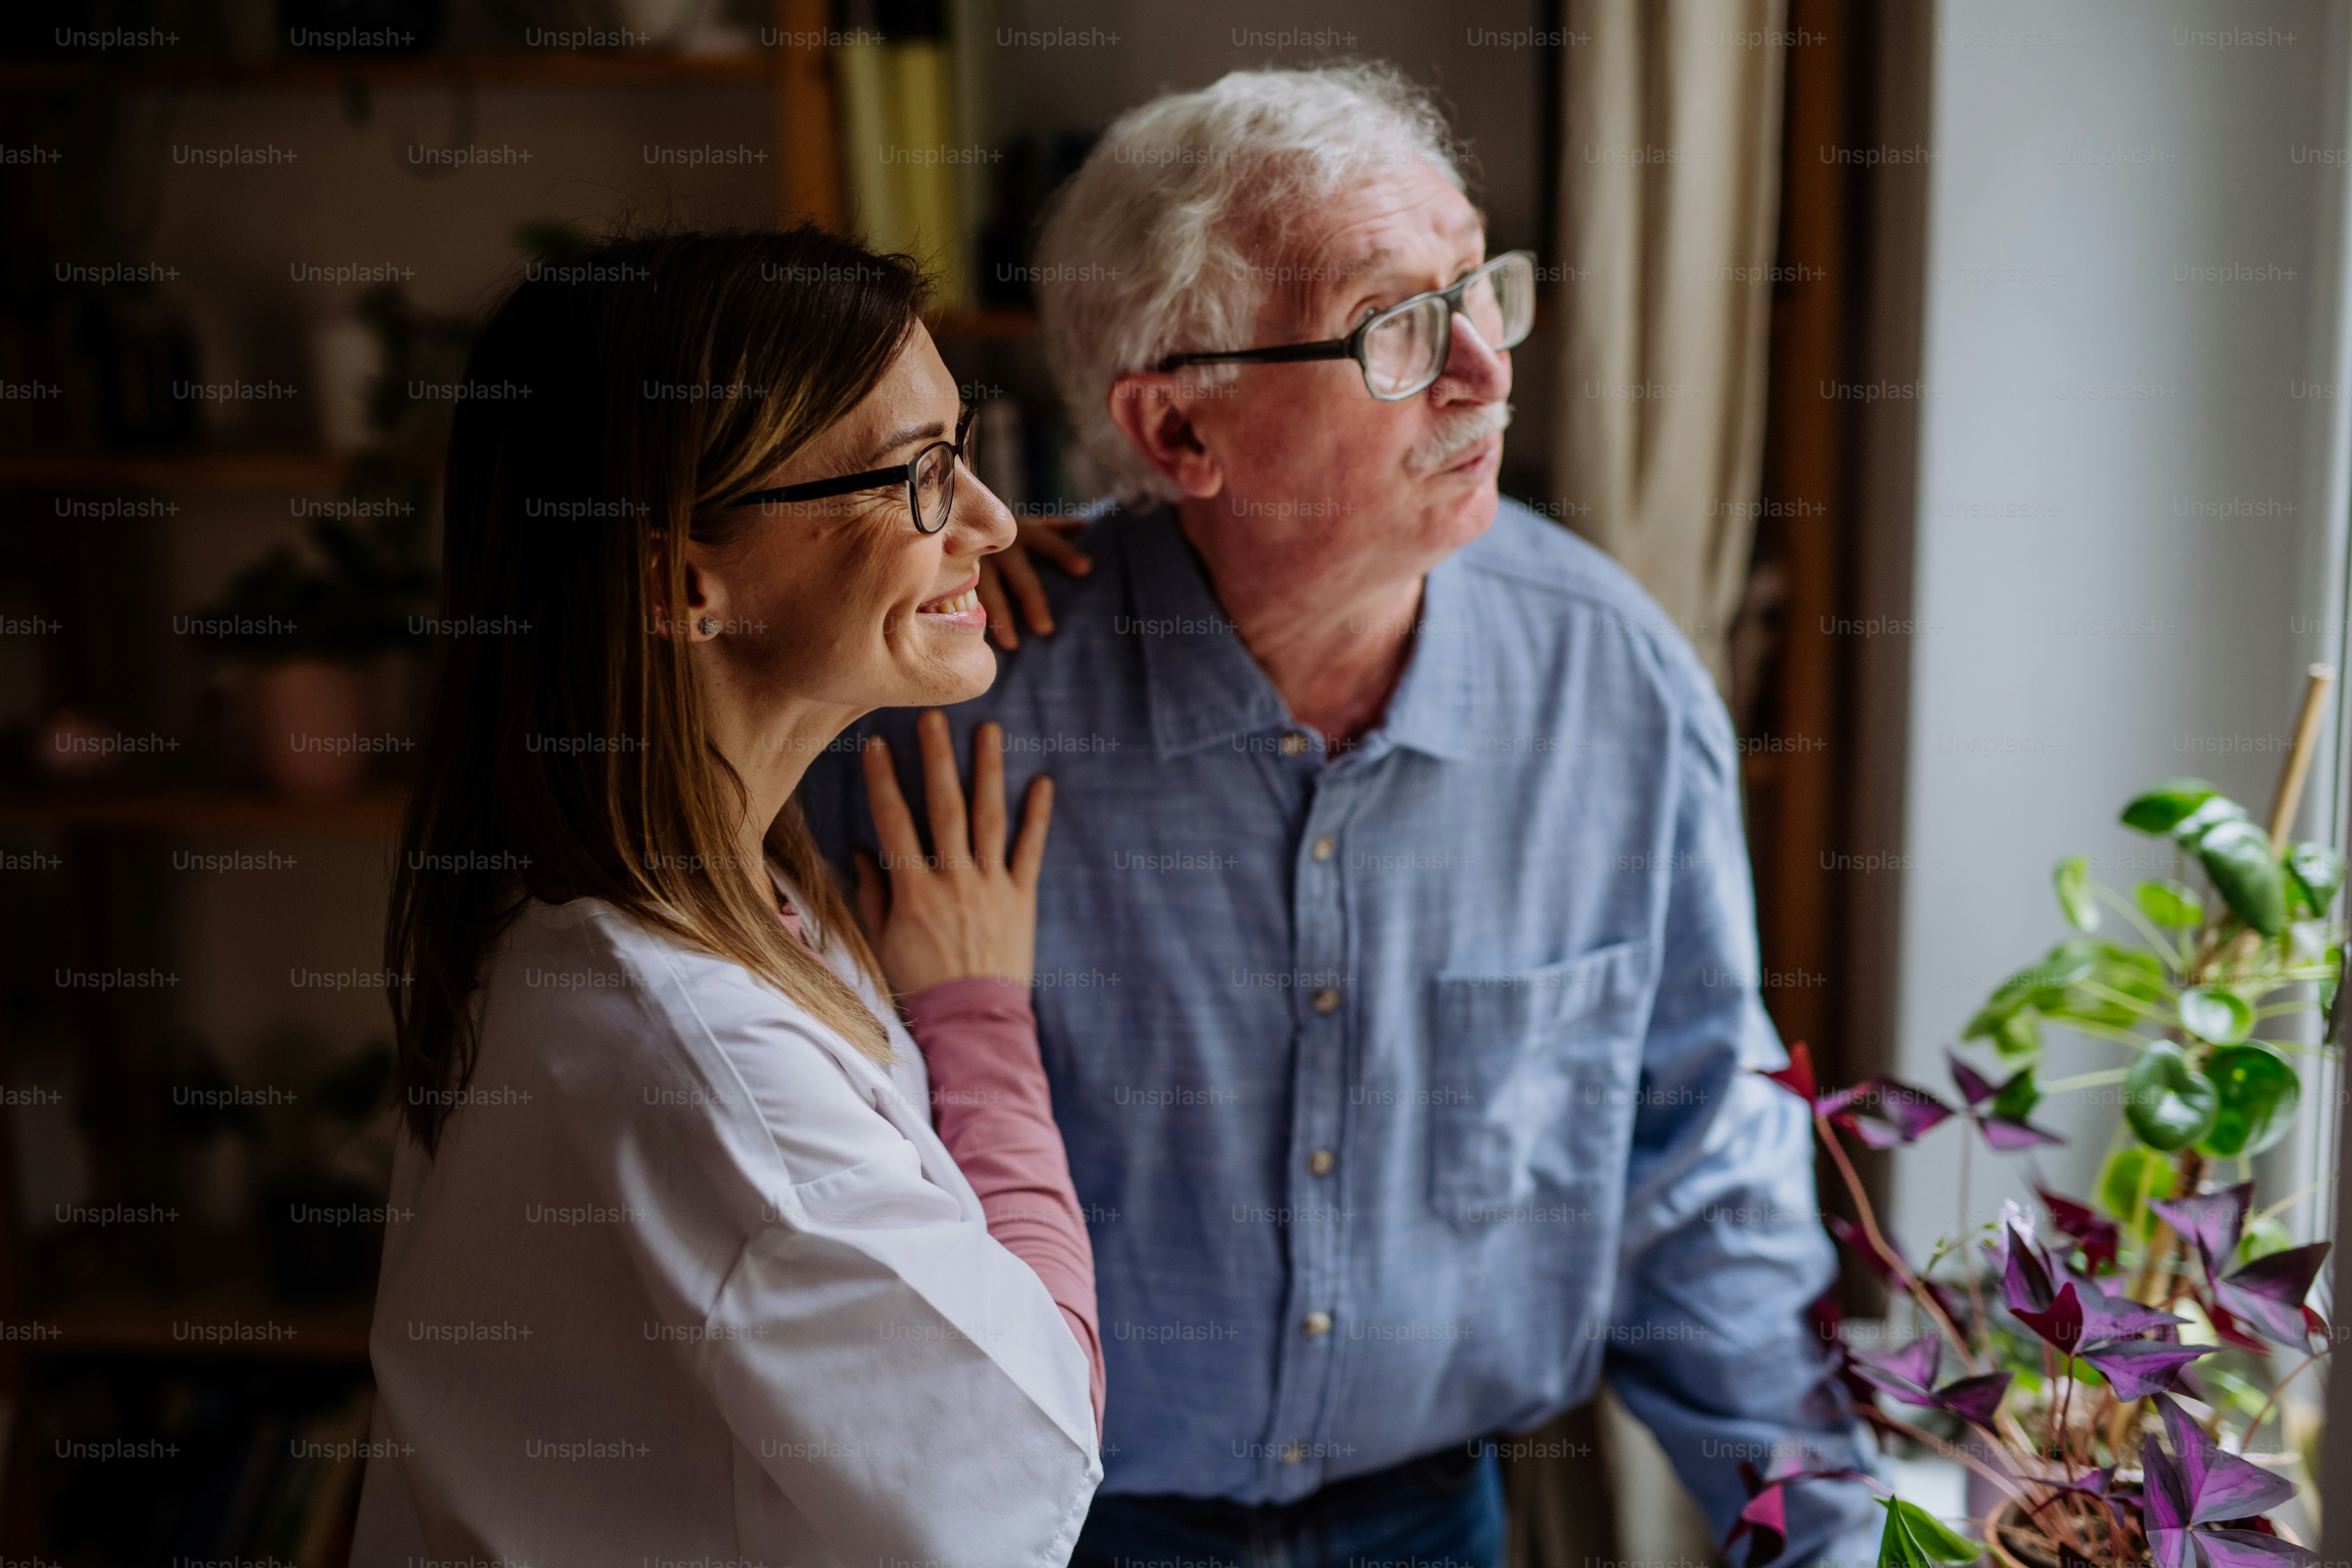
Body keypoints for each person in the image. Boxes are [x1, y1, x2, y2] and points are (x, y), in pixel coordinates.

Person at [805, 66, 1874, 1565]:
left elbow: (1696, 1171)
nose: (1487, 372)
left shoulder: (1614, 690)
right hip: (1057, 1529)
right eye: (1397, 325)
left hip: (1436, 1518)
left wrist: (1828, 1537)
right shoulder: (953, 723)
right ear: (1180, 432)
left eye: (1478, 287)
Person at [351, 228, 1102, 1567]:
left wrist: (918, 564)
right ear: (683, 584)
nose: (990, 521)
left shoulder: (614, 891)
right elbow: (1031, 1446)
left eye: (964, 449)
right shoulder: (698, 1054)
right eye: (924, 476)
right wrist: (981, 1021)